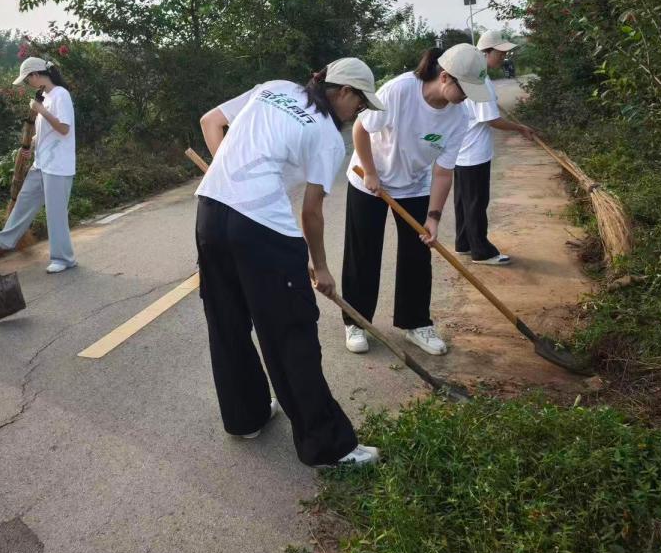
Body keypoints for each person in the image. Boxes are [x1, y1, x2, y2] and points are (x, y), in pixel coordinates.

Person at [195, 59, 384, 468]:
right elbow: (311, 212)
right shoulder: (328, 136)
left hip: (210, 211)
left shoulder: (275, 86)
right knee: (291, 333)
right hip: (263, 228)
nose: (358, 112)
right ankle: (329, 447)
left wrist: (232, 177)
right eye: (360, 104)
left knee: (227, 322)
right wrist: (321, 266)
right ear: (344, 92)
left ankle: (246, 417)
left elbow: (210, 121)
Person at [341, 44, 491, 357]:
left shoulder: (459, 117)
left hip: (414, 185)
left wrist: (433, 217)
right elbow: (360, 129)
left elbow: (443, 172)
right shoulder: (399, 91)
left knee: (417, 254)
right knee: (363, 252)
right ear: (445, 77)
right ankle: (356, 321)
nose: (467, 98)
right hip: (369, 179)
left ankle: (416, 323)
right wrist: (370, 172)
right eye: (465, 89)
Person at [0, 57, 77, 274]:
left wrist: (41, 110)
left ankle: (63, 258)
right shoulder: (45, 97)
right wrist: (33, 144)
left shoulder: (61, 95)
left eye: (27, 79)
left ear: (36, 75)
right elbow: (46, 131)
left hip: (58, 166)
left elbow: (64, 128)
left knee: (55, 214)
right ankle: (4, 240)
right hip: (41, 163)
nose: (27, 83)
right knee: (24, 202)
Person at [453, 30, 535, 265]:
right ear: (485, 53)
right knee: (476, 203)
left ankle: (464, 243)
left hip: (462, 152)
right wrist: (519, 128)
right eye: (500, 53)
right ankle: (481, 251)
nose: (503, 57)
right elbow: (492, 120)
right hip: (474, 153)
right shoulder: (481, 81)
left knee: (464, 201)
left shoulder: (474, 77)